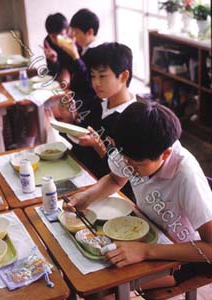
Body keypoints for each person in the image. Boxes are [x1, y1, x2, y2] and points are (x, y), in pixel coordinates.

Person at [64, 101, 212, 289]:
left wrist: (146, 251)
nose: (127, 166)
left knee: (104, 289)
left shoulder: (187, 176)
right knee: (86, 268)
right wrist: (85, 197)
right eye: (124, 160)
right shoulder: (130, 150)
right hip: (147, 231)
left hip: (182, 254)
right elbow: (115, 179)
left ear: (165, 154)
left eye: (136, 165)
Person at [67, 42, 136, 199]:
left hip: (109, 194)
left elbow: (128, 180)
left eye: (102, 76)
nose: (96, 83)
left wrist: (99, 148)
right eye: (93, 76)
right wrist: (69, 120)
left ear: (124, 76)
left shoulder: (134, 119)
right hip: (81, 176)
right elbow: (81, 139)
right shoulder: (97, 102)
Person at [57, 8, 100, 111]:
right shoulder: (82, 47)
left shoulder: (98, 52)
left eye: (76, 33)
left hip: (88, 103)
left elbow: (89, 82)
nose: (74, 37)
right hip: (76, 97)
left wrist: (75, 56)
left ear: (90, 32)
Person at [44, 13, 74, 83]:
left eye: (61, 35)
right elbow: (52, 71)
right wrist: (54, 61)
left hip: (74, 70)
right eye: (53, 36)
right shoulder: (48, 42)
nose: (57, 40)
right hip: (59, 71)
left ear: (67, 30)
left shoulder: (74, 39)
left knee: (65, 80)